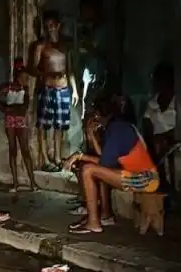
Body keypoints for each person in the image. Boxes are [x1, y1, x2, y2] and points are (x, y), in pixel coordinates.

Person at [63, 99, 159, 234]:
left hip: (146, 180)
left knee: (88, 170)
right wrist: (91, 135)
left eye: (94, 114)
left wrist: (79, 156)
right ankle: (103, 216)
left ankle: (93, 223)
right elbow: (105, 158)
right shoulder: (118, 126)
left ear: (98, 115)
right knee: (96, 170)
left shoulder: (118, 129)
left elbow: (104, 162)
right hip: (140, 176)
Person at [30, 10, 79, 171]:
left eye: (52, 26)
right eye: (47, 27)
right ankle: (45, 158)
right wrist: (48, 73)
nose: (50, 29)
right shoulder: (41, 46)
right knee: (44, 125)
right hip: (47, 88)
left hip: (63, 88)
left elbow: (70, 69)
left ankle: (57, 156)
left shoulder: (65, 46)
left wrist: (75, 91)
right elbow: (33, 68)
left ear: (58, 26)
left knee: (60, 125)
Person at [0, 57, 38, 192]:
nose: (26, 80)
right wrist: (6, 108)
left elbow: (24, 108)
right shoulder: (7, 88)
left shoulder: (24, 89)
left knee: (25, 150)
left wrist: (7, 108)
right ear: (17, 76)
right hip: (12, 120)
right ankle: (15, 183)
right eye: (24, 77)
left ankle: (33, 183)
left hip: (18, 120)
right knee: (13, 150)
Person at [142, 61, 176, 191]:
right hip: (157, 144)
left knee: (159, 145)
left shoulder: (177, 101)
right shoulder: (152, 103)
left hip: (173, 139)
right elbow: (147, 128)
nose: (157, 83)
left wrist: (165, 137)